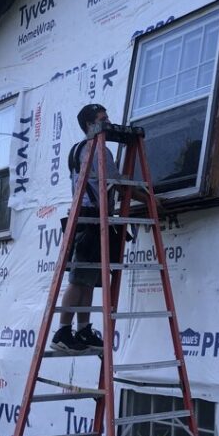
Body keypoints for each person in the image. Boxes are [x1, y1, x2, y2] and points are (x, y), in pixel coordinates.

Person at [50, 103, 146, 354]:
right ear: (89, 125)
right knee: (79, 278)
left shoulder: (79, 148)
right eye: (102, 119)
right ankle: (62, 331)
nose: (108, 122)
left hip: (87, 216)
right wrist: (149, 198)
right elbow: (116, 183)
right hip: (90, 218)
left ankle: (82, 330)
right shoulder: (99, 150)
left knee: (88, 280)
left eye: (107, 117)